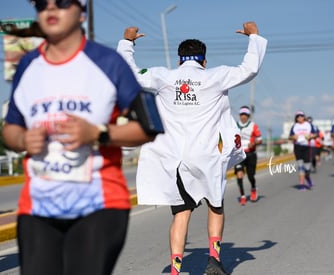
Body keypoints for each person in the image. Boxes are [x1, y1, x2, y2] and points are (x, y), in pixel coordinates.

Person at [1, 1, 160, 274]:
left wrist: (98, 133)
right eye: (42, 4)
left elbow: (149, 127)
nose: (51, 10)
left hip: (98, 205)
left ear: (82, 11)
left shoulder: (108, 63)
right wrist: (23, 140)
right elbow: (10, 128)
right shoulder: (28, 64)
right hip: (38, 206)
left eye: (62, 3)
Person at [117, 22, 267, 275]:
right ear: (204, 61)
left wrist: (127, 42)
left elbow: (128, 72)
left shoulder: (163, 76)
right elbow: (250, 69)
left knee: (182, 213)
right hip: (206, 155)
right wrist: (253, 37)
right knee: (215, 205)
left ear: (179, 61)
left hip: (174, 158)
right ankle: (214, 260)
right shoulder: (216, 75)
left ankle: (176, 269)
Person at [234, 105, 263, 205]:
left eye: (245, 114)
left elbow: (260, 140)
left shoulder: (253, 126)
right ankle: (242, 196)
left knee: (251, 176)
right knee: (239, 175)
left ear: (248, 116)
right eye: (242, 114)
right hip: (239, 154)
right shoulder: (234, 125)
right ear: (239, 115)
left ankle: (253, 188)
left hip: (251, 153)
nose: (243, 116)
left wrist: (254, 143)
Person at [288, 111, 316, 190]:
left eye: (301, 116)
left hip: (306, 147)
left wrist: (311, 136)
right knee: (300, 166)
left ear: (304, 117)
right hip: (297, 147)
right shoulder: (294, 126)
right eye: (298, 116)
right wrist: (294, 137)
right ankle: (302, 184)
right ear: (296, 118)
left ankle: (308, 178)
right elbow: (289, 137)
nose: (300, 117)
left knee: (307, 168)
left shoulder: (309, 125)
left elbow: (315, 134)